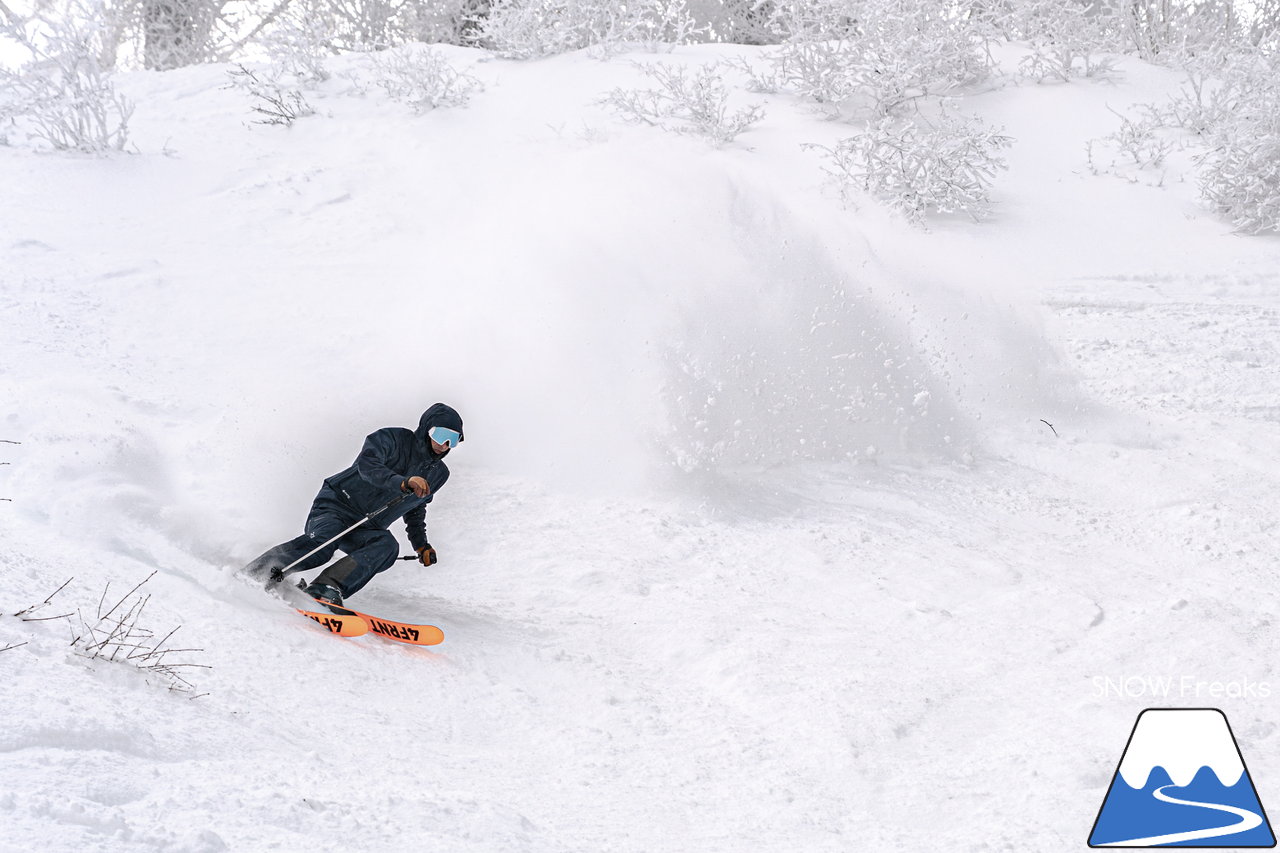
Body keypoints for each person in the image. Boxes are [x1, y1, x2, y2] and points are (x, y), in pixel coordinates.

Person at [242, 403, 464, 607]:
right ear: (426, 429)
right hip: (336, 505)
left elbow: (416, 508)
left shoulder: (438, 474)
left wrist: (421, 544)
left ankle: (326, 587)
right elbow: (367, 467)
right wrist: (403, 482)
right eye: (440, 435)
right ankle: (259, 572)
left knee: (386, 546)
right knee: (323, 544)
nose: (444, 445)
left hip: (368, 526)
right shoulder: (391, 439)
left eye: (452, 440)